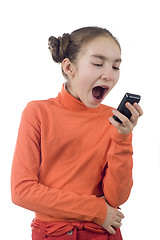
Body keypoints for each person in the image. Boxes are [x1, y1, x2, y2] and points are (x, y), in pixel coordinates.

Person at [11, 26, 143, 240]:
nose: (109, 75)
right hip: (56, 234)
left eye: (116, 66)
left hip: (105, 233)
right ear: (69, 68)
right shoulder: (37, 113)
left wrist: (123, 138)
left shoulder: (114, 119)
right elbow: (22, 191)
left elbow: (116, 197)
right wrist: (97, 211)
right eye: (98, 64)